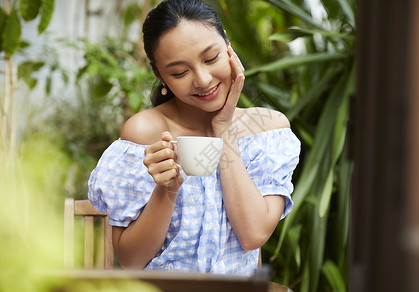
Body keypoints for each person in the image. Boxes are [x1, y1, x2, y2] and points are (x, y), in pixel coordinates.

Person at [88, 0, 300, 276]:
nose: (202, 79)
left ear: (229, 49)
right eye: (179, 72)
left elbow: (253, 235)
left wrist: (224, 129)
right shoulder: (145, 133)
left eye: (211, 58)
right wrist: (167, 189)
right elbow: (131, 261)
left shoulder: (268, 131)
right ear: (160, 75)